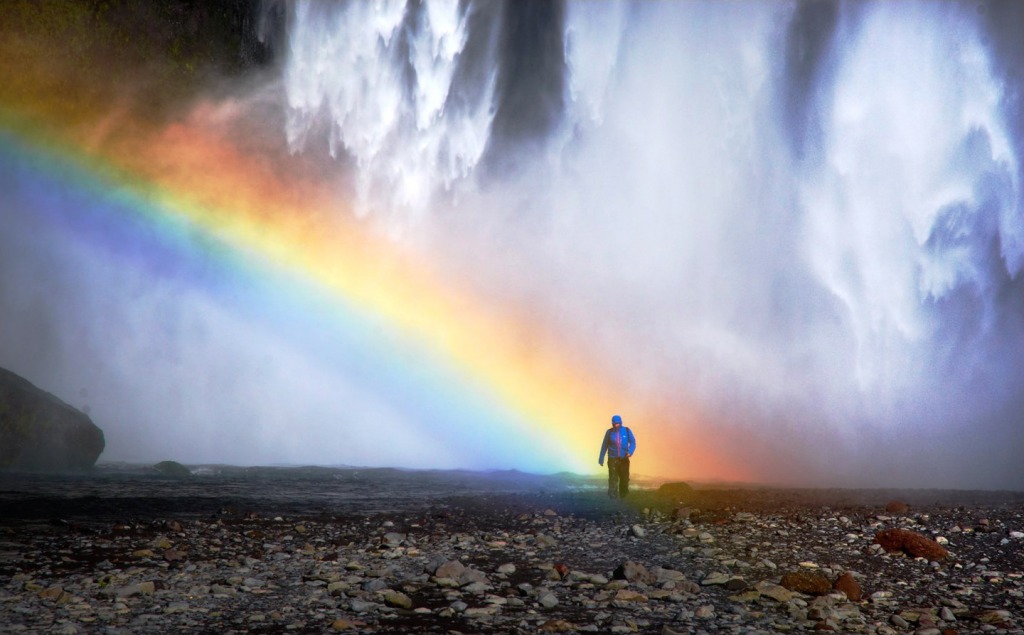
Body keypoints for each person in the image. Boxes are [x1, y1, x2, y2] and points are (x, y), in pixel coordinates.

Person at [598, 414, 636, 498]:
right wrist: (601, 458)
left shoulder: (627, 430)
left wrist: (630, 451)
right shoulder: (609, 432)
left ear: (621, 422)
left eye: (618, 423)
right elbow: (604, 445)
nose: (616, 425)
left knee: (624, 479)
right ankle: (612, 497)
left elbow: (633, 442)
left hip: (624, 459)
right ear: (612, 423)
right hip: (612, 459)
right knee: (613, 479)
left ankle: (623, 496)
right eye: (615, 423)